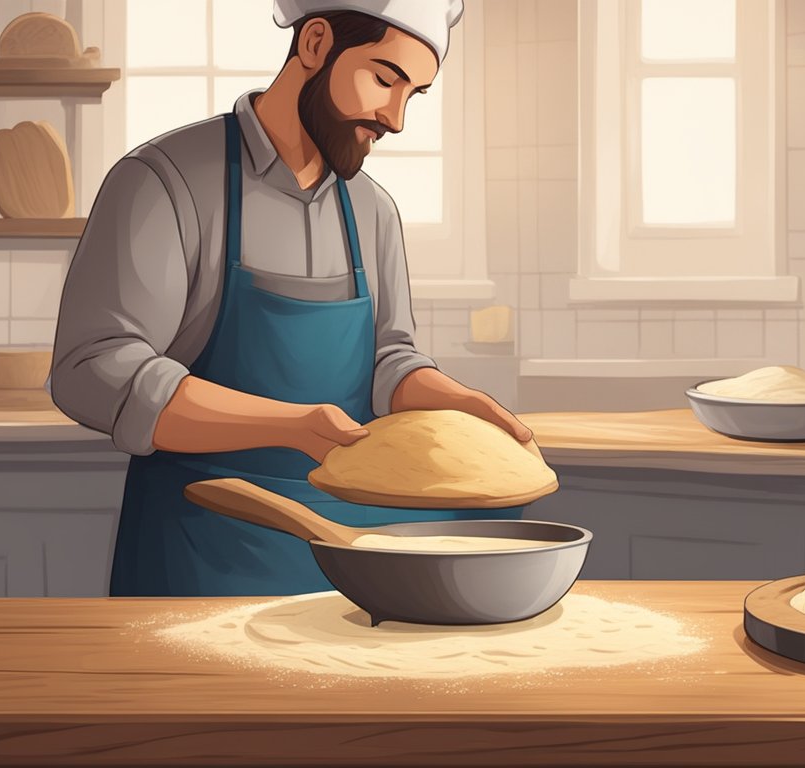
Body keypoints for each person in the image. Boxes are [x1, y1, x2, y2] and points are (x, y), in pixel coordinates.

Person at [51, 0, 532, 597]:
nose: (396, 118)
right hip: (204, 548)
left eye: (414, 94)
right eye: (385, 79)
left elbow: (387, 360)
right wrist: (290, 425)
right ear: (315, 43)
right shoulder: (165, 181)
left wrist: (457, 402)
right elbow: (93, 369)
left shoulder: (372, 211)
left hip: (350, 559)